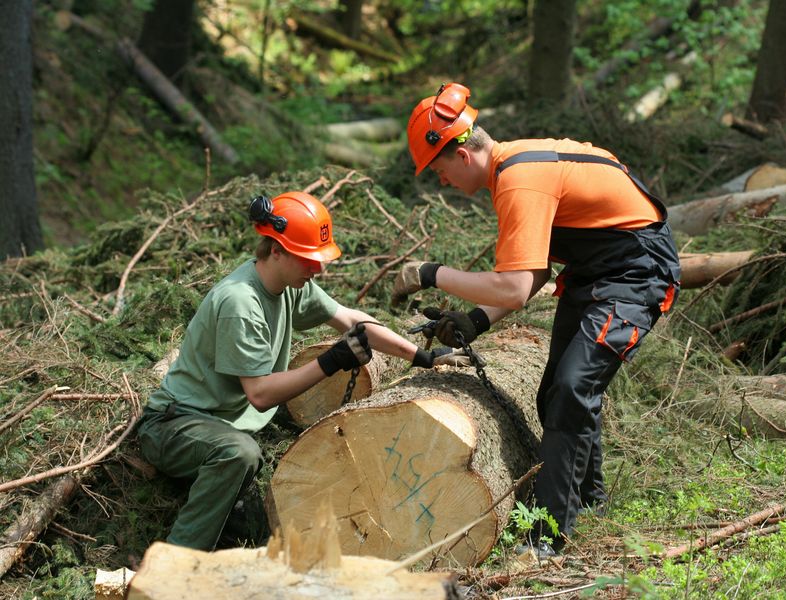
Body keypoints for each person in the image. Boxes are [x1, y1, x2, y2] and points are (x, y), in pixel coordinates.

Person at [392, 83, 681, 554]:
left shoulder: (518, 181)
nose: (441, 182)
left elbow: (514, 286)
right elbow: (534, 272)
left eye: (438, 171)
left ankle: (547, 537)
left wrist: (432, 274)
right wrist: (476, 322)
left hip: (636, 273)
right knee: (555, 394)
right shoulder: (513, 166)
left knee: (573, 388)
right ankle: (589, 500)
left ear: (462, 155)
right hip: (595, 271)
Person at [137, 190, 461, 551]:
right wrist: (330, 362)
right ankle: (174, 563)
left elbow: (353, 321)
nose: (318, 269)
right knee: (239, 453)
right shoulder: (240, 302)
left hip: (221, 423)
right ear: (276, 250)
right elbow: (260, 395)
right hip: (174, 425)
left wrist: (423, 356)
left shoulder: (289, 284)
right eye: (309, 259)